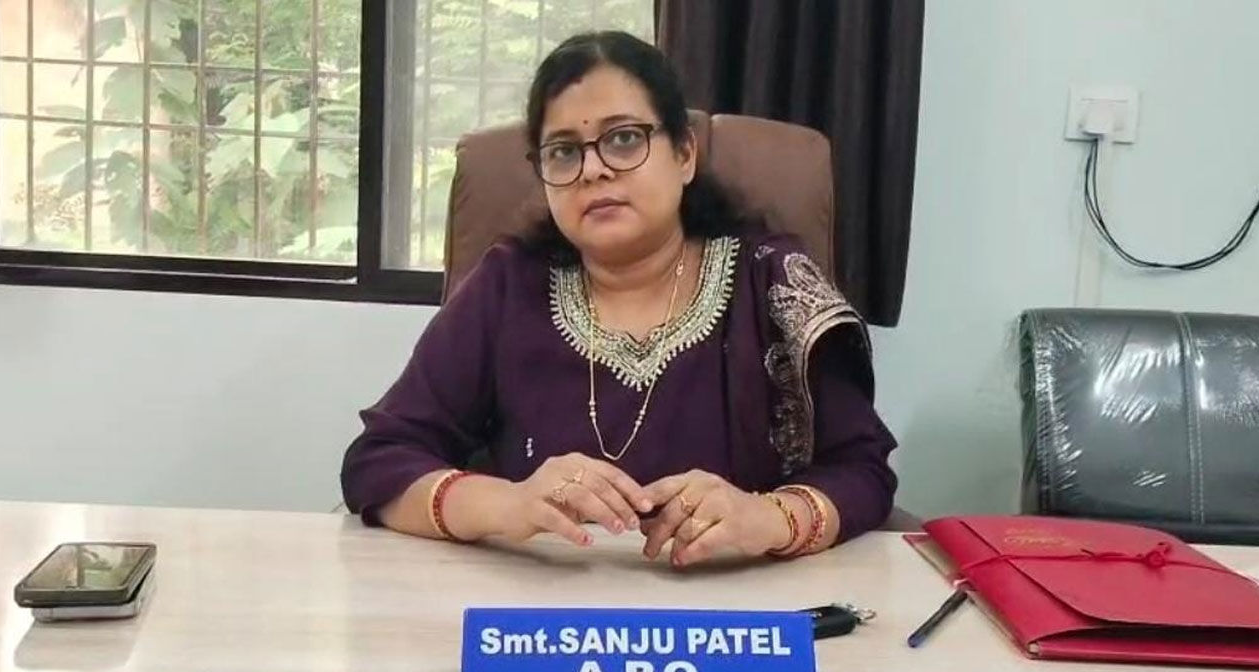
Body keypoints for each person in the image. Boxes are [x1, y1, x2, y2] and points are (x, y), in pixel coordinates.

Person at [341, 31, 897, 567]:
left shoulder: (772, 283)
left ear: (684, 153)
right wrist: (506, 504)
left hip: (738, 602)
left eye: (625, 138)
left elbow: (862, 468)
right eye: (563, 152)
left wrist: (767, 519)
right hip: (541, 605)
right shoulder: (508, 286)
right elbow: (378, 460)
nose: (594, 169)